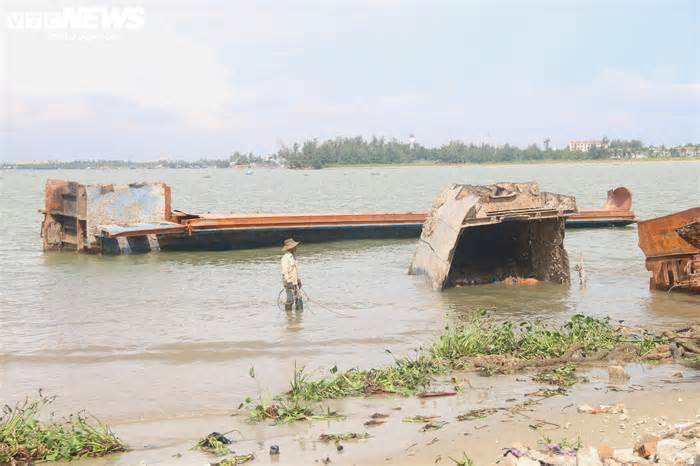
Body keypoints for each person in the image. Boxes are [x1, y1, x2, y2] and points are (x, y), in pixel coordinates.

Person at [280, 238, 303, 311]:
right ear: (291, 248)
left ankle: (299, 318)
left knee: (299, 298)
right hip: (289, 282)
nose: (296, 247)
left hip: (294, 281)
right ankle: (289, 316)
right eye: (295, 246)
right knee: (290, 299)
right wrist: (288, 282)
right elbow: (285, 271)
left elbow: (295, 270)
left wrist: (298, 280)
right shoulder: (285, 258)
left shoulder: (293, 256)